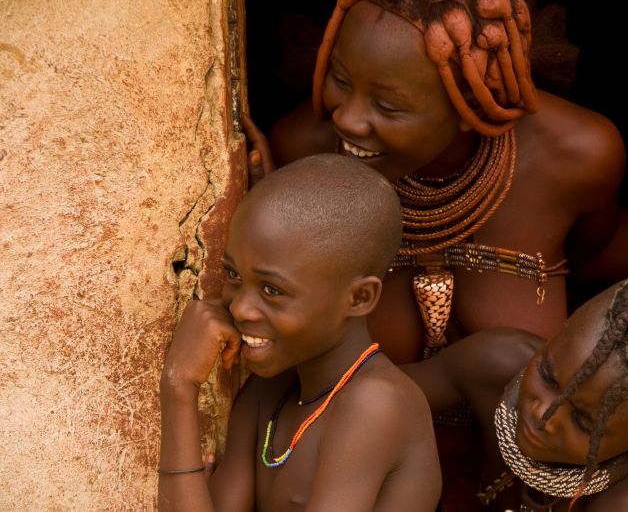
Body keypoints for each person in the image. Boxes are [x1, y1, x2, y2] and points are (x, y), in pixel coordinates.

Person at [244, 0, 628, 365]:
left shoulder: (573, 158)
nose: (348, 119)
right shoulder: (304, 153)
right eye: (340, 79)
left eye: (388, 106)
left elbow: (594, 255)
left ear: (474, 106)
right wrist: (269, 222)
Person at [158, 154, 441, 511]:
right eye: (233, 275)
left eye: (272, 290)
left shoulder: (375, 404)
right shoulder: (267, 394)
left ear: (359, 297)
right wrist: (179, 385)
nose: (240, 308)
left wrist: (178, 389)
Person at [404, 271, 628, 511]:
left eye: (584, 422)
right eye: (548, 376)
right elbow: (381, 398)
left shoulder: (622, 504)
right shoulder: (497, 360)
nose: (544, 415)